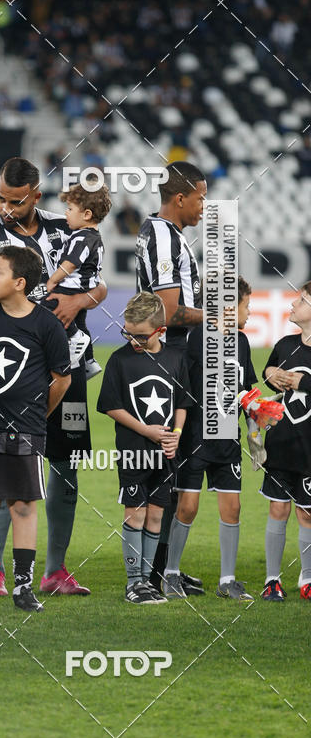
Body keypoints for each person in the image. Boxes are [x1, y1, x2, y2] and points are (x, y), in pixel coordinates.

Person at [0, 157, 104, 597]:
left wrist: (78, 303)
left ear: (36, 196)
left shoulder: (68, 228)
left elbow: (98, 286)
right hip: (10, 377)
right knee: (5, 472)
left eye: (16, 202)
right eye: (0, 198)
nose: (6, 208)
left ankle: (55, 571)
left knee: (66, 464)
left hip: (66, 366)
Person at [0, 246, 71, 612]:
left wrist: (37, 416)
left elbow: (62, 378)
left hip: (26, 430)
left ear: (20, 282)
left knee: (23, 506)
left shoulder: (47, 325)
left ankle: (23, 588)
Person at [163, 277, 266, 600]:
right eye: (246, 305)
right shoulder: (196, 340)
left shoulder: (242, 343)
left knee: (233, 508)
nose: (249, 312)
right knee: (187, 507)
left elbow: (246, 391)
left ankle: (227, 581)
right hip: (196, 438)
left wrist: (255, 437)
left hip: (228, 441)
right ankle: (170, 574)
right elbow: (183, 388)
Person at [135, 161, 206, 595]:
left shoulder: (166, 234)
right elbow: (167, 310)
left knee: (172, 464)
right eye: (200, 198)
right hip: (173, 358)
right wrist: (213, 314)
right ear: (180, 198)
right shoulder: (163, 236)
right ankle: (155, 572)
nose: (203, 206)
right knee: (169, 464)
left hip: (174, 357)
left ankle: (162, 569)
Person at [97, 292, 193, 605]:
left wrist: (176, 434)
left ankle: (148, 581)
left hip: (165, 454)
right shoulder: (119, 360)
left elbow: (182, 402)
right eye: (127, 333)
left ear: (160, 331)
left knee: (156, 515)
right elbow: (111, 406)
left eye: (140, 336)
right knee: (135, 514)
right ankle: (133, 583)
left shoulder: (175, 358)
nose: (132, 341)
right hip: (133, 451)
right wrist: (147, 431)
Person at [261, 282, 311, 601]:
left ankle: (308, 578)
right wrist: (270, 373)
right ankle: (272, 580)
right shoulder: (285, 344)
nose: (294, 305)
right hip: (280, 445)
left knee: (307, 513)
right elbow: (269, 373)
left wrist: (305, 381)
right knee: (277, 509)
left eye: (302, 301)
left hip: (309, 451)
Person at [45, 181, 112, 380]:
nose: (66, 213)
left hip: (71, 287)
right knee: (80, 322)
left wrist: (52, 280)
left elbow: (71, 263)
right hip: (85, 288)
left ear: (87, 214)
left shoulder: (81, 238)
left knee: (47, 308)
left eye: (70, 209)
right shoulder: (94, 237)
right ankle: (88, 361)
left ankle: (74, 339)